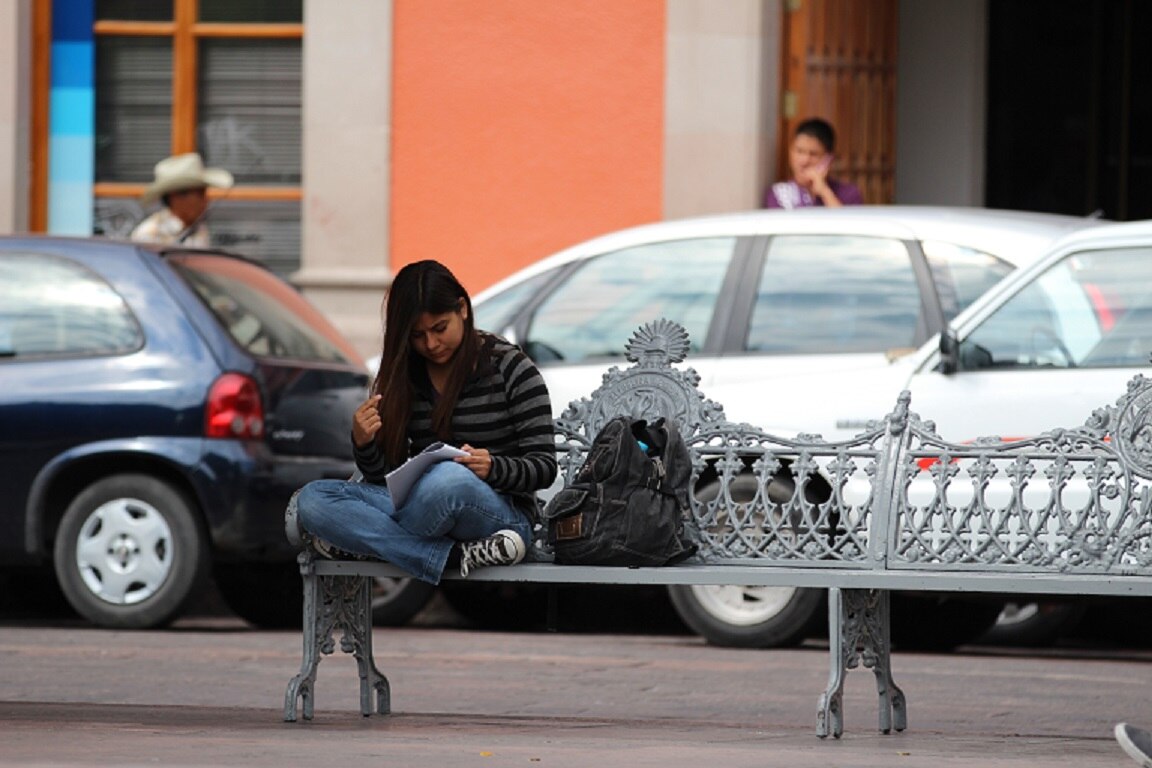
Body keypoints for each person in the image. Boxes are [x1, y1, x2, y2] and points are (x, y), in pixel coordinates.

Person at [293, 259, 558, 582]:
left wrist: (494, 467)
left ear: (462, 309)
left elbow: (544, 467)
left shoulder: (511, 367)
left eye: (439, 328)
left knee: (447, 478)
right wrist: (365, 443)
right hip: (422, 509)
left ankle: (368, 542)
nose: (431, 344)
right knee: (313, 500)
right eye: (418, 335)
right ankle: (447, 557)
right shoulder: (406, 375)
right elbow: (385, 479)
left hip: (500, 518)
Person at [130, 152, 233, 247]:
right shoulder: (149, 235)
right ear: (176, 198)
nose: (206, 200)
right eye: (200, 194)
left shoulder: (198, 228)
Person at [765, 117, 864, 210]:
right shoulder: (779, 193)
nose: (804, 161)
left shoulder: (850, 193)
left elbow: (848, 226)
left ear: (828, 159)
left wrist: (824, 192)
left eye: (813, 154)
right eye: (799, 151)